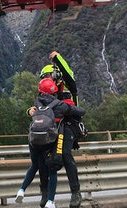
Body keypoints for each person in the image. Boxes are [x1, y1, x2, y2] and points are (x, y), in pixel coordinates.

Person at [16, 77, 86, 208]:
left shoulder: (38, 102)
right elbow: (79, 110)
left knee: (45, 163)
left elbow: (34, 111)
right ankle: (50, 198)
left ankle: (50, 195)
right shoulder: (57, 104)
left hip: (45, 137)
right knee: (57, 162)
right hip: (54, 135)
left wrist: (29, 111)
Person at [39, 51, 84, 208]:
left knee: (65, 155)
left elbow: (68, 71)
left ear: (56, 74)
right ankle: (45, 193)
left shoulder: (69, 85)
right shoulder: (47, 92)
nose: (48, 80)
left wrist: (57, 58)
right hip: (52, 128)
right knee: (44, 159)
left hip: (69, 125)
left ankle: (75, 192)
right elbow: (37, 106)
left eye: (49, 77)